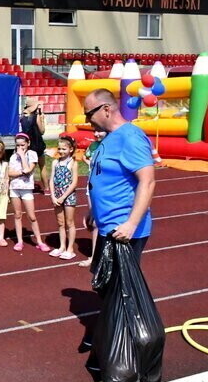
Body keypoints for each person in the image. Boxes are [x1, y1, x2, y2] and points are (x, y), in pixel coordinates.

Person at [84, 89, 155, 270]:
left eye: (89, 114)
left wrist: (131, 224)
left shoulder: (130, 137)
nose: (87, 120)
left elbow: (147, 181)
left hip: (121, 230)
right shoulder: (109, 138)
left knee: (120, 286)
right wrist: (94, 210)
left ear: (106, 109)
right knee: (104, 281)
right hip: (106, 226)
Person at [8, 133, 51, 253]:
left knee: (32, 216)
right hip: (14, 188)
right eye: (18, 145)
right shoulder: (13, 156)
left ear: (28, 143)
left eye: (22, 145)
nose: (20, 147)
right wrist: (21, 172)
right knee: (17, 215)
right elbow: (9, 173)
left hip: (26, 189)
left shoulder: (32, 154)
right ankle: (19, 241)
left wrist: (22, 156)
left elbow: (28, 170)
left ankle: (39, 241)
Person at [48, 136, 79, 260]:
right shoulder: (55, 162)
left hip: (68, 196)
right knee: (60, 223)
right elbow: (51, 180)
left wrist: (63, 196)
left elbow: (74, 182)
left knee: (69, 222)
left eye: (64, 149)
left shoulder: (73, 163)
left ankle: (70, 249)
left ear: (71, 149)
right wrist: (53, 195)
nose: (61, 151)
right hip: (57, 196)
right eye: (59, 149)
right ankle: (62, 246)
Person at [79, 129, 106, 268]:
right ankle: (95, 256)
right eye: (94, 131)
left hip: (105, 188)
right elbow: (85, 156)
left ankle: (102, 255)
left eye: (99, 131)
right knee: (93, 222)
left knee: (100, 222)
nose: (96, 134)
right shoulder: (94, 145)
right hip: (92, 185)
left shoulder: (111, 146)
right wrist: (90, 163)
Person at [19, 97, 50, 194]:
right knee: (42, 166)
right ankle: (46, 188)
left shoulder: (22, 117)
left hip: (28, 145)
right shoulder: (35, 117)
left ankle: (27, 187)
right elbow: (42, 131)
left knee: (29, 168)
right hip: (37, 144)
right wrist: (42, 119)